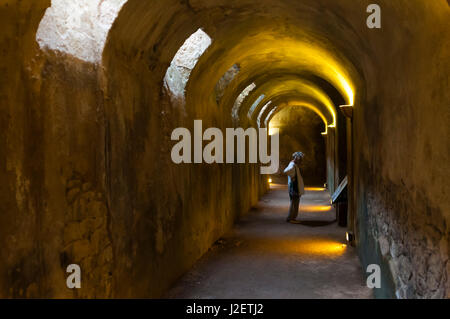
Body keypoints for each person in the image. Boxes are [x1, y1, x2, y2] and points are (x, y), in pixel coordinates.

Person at [283, 152, 305, 224]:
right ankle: (291, 218)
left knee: (295, 202)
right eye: (300, 159)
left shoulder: (294, 165)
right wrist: (292, 177)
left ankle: (292, 218)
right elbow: (286, 171)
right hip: (294, 187)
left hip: (295, 186)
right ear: (296, 158)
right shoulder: (292, 165)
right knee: (294, 202)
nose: (301, 161)